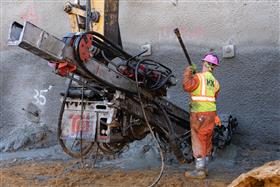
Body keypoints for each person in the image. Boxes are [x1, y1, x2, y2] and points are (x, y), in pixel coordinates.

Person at [183, 53, 221, 179]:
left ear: (204, 63)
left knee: (198, 139)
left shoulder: (198, 77)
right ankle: (205, 168)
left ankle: (199, 171)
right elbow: (213, 99)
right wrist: (215, 116)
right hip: (211, 115)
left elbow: (187, 86)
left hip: (199, 114)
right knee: (206, 139)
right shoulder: (215, 82)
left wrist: (189, 71)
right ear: (214, 66)